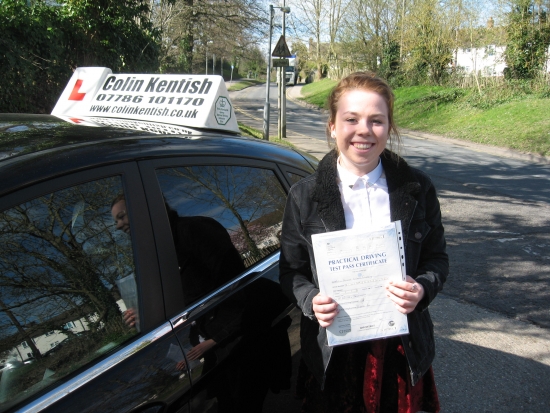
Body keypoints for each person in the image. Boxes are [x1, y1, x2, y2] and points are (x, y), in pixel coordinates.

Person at [279, 72, 448, 413]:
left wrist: (422, 288)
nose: (363, 131)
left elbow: (437, 260)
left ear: (389, 127)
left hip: (400, 349)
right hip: (333, 351)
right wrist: (310, 299)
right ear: (332, 126)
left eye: (376, 120)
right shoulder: (304, 196)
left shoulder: (417, 188)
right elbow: (291, 271)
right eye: (351, 119)